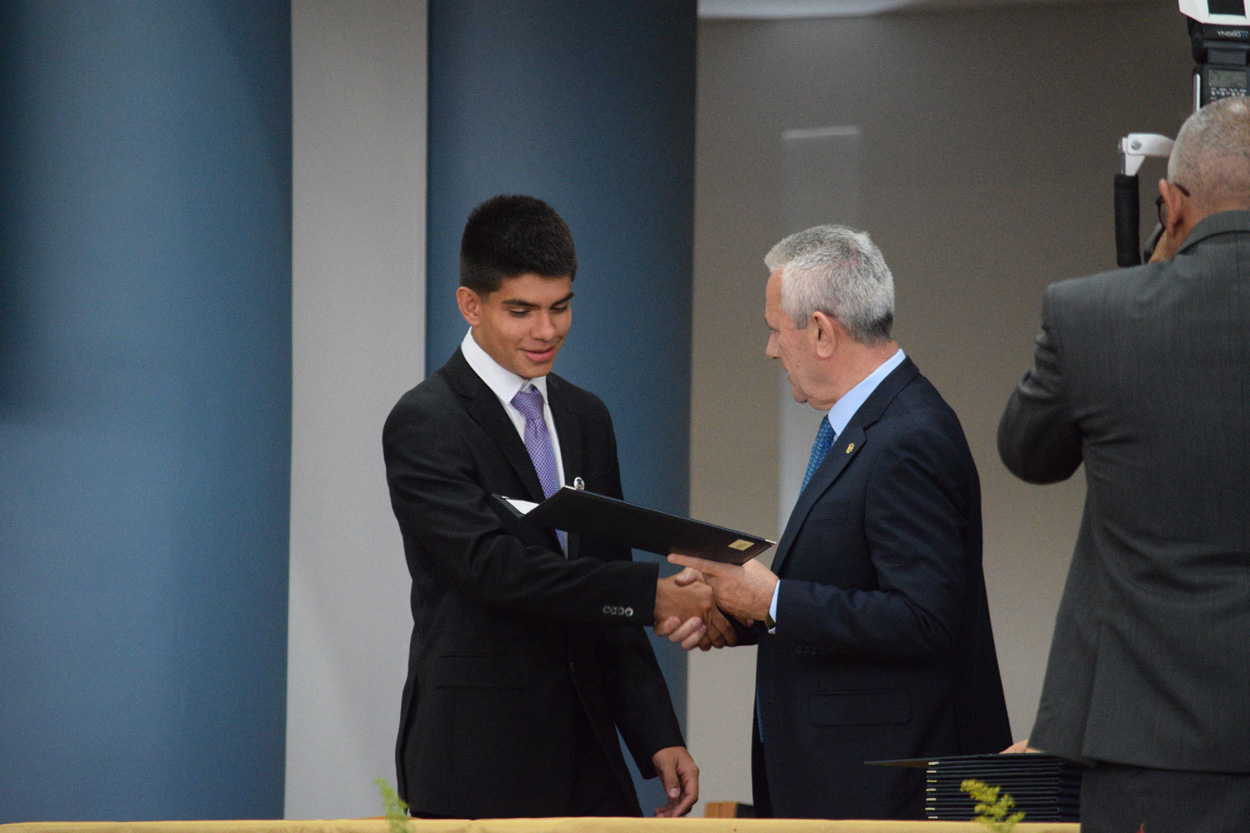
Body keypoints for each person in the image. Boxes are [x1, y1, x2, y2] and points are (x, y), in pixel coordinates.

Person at [383, 194, 729, 819]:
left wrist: (656, 733)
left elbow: (605, 579)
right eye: (521, 311)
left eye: (560, 307)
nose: (546, 331)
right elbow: (493, 568)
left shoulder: (585, 416)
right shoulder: (425, 421)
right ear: (471, 305)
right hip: (478, 758)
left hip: (590, 753)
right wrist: (653, 596)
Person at [665, 225, 1011, 819]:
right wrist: (739, 609)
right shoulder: (871, 424)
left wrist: (773, 601)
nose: (770, 349)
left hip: (886, 794)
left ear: (822, 332)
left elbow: (925, 618)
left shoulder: (909, 435)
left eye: (776, 330)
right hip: (846, 783)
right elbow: (852, 585)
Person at [997, 97, 1250, 833]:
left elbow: (1027, 452)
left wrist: (1151, 276)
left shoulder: (1094, 316)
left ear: (1170, 204)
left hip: (1147, 735)